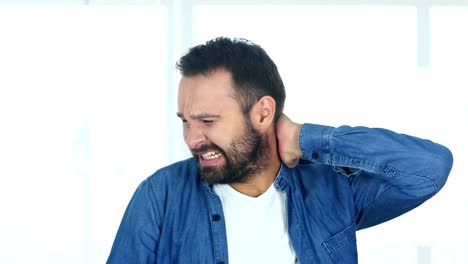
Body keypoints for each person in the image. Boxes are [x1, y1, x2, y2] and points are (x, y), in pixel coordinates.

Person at [107, 37, 453, 264]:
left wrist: (306, 138)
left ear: (262, 112)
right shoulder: (160, 195)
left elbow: (429, 168)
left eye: (208, 121)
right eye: (186, 120)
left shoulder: (330, 190)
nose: (192, 138)